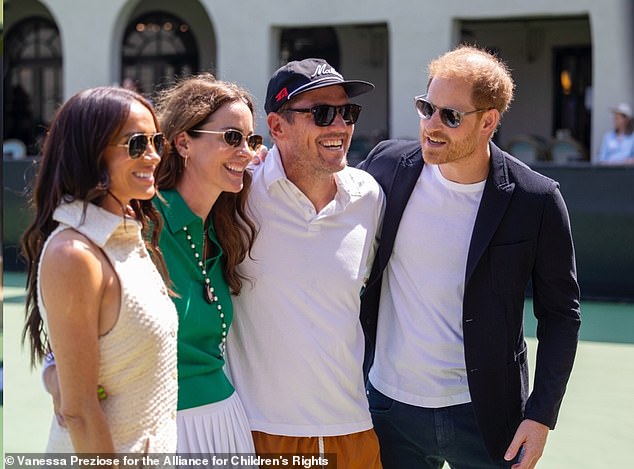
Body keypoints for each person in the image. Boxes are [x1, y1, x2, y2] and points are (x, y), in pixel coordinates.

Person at [359, 45, 581, 469]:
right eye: (427, 108)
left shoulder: (536, 199)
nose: (431, 125)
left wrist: (541, 416)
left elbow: (561, 315)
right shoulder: (385, 168)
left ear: (489, 121)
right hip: (387, 408)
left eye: (451, 116)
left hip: (487, 416)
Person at [226, 58, 385, 468]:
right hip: (259, 432)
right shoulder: (236, 194)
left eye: (347, 112)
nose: (340, 126)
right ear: (277, 128)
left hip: (352, 429)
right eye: (322, 113)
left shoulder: (369, 196)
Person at [21, 86, 179, 454]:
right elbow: (78, 413)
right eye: (137, 143)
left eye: (157, 141)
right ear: (91, 152)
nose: (154, 156)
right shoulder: (74, 254)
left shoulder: (127, 233)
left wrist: (53, 374)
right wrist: (56, 379)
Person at [152, 74, 260, 458]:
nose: (246, 152)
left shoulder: (224, 230)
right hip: (161, 430)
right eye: (232, 137)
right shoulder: (144, 224)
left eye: (252, 140)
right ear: (183, 142)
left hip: (224, 424)